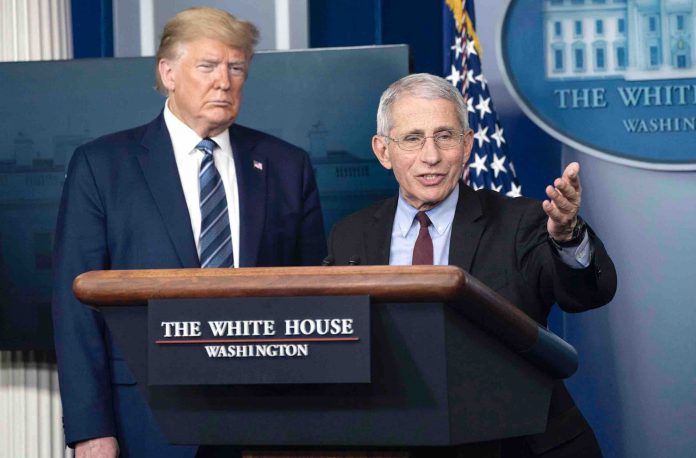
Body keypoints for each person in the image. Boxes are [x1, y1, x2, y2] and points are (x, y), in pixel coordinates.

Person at [52, 7, 326, 457]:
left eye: (236, 68)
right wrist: (91, 429)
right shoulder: (102, 166)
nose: (224, 81)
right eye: (208, 66)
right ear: (168, 73)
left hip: (264, 422)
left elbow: (313, 297)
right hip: (144, 421)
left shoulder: (286, 166)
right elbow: (75, 308)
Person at [327, 73, 617, 457]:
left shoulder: (522, 223)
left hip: (516, 443)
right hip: (396, 441)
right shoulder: (350, 235)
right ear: (383, 151)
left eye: (445, 137)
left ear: (466, 146)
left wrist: (567, 236)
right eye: (412, 139)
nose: (431, 156)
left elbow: (587, 293)